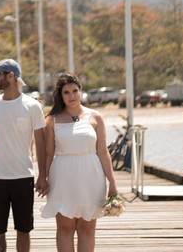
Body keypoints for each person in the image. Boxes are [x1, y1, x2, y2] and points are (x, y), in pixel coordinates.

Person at [41, 72, 118, 252]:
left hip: (91, 175)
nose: (71, 96)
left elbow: (103, 152)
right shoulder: (52, 120)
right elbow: (48, 153)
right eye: (66, 92)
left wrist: (112, 182)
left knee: (87, 228)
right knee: (65, 227)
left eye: (75, 91)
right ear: (60, 95)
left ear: (80, 91)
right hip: (63, 176)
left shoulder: (95, 117)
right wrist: (43, 178)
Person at [0, 59, 47, 252]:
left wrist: (43, 175)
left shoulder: (32, 106)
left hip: (23, 177)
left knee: (24, 229)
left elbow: (41, 142)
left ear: (11, 76)